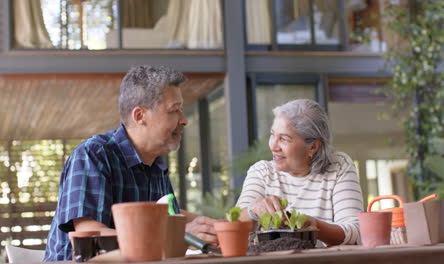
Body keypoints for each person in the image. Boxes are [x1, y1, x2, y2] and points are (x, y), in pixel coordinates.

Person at [44, 66, 217, 261]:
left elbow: (172, 216)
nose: (184, 120)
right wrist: (180, 235)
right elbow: (92, 238)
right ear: (139, 116)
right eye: (174, 110)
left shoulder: (156, 165)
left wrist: (217, 227)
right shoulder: (93, 155)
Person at [236, 99, 363, 246]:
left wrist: (315, 227)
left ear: (313, 147)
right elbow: (233, 227)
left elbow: (355, 232)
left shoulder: (339, 166)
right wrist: (253, 210)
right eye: (272, 135)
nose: (273, 146)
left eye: (283, 139)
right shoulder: (262, 172)